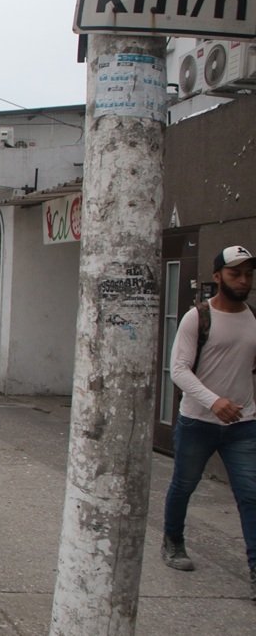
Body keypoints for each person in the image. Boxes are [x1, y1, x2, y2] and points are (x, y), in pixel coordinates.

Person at [162, 244, 256, 601]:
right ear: (217, 277)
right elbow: (180, 370)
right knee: (184, 485)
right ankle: (173, 541)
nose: (243, 280)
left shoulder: (253, 319)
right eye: (235, 273)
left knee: (250, 496)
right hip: (198, 421)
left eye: (248, 273)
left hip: (244, 424)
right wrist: (214, 401)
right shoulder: (197, 318)